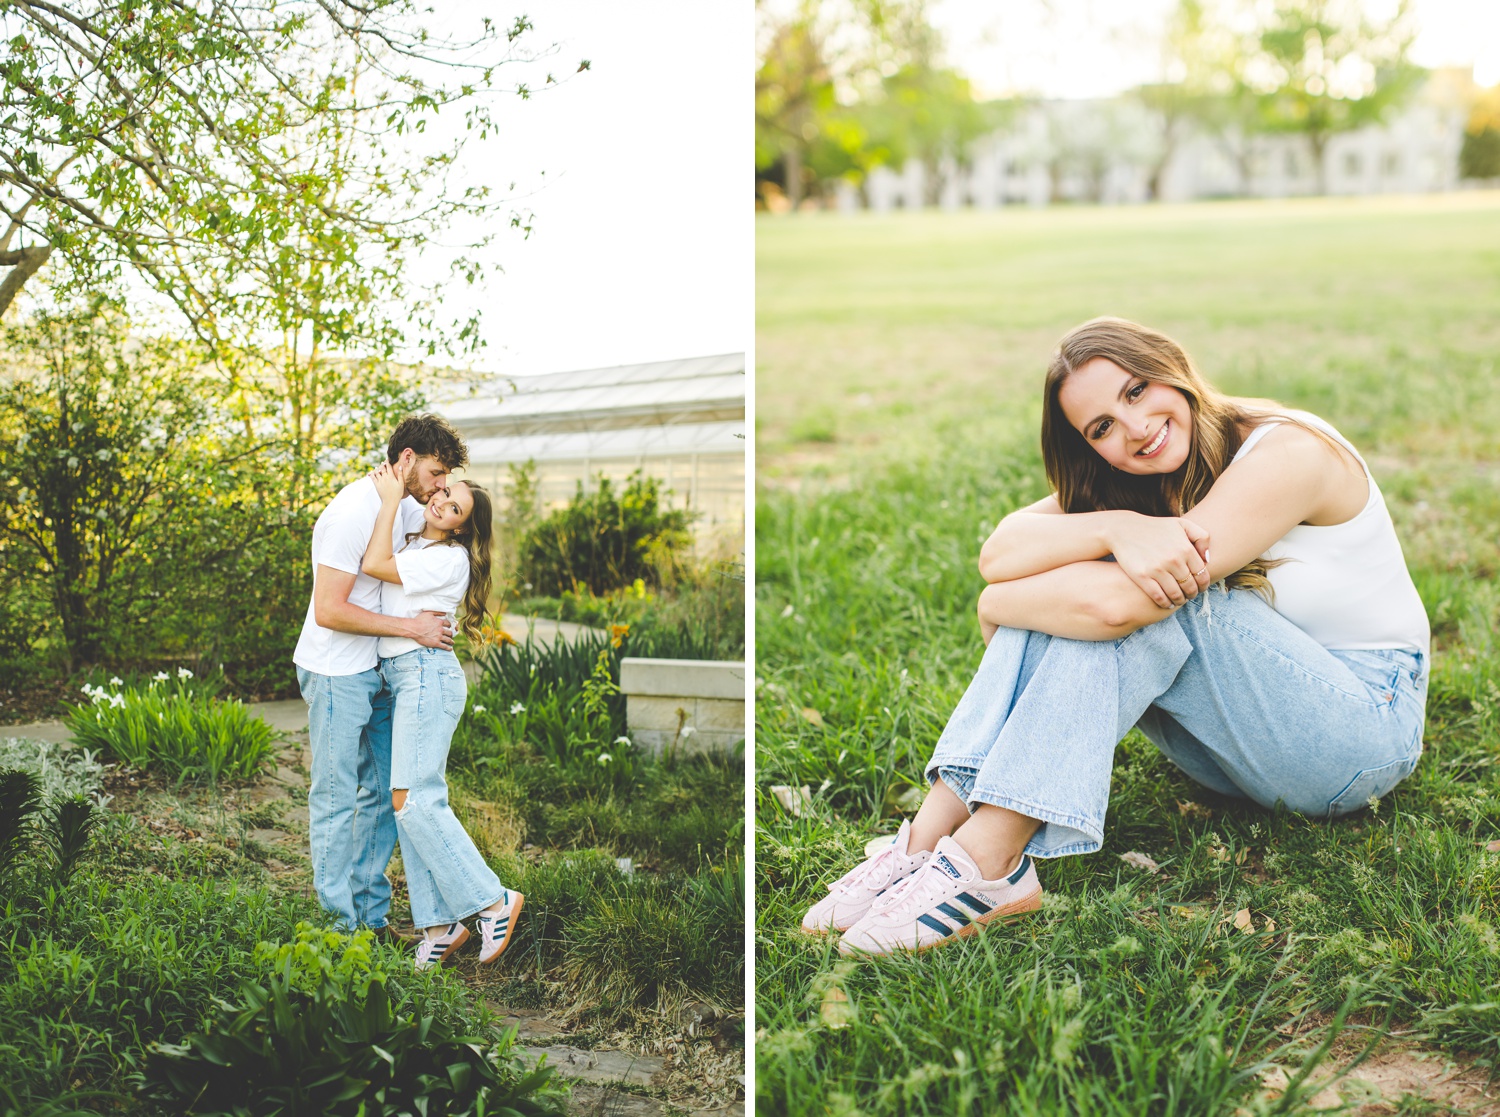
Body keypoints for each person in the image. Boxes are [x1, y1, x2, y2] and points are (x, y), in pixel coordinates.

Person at [802, 317, 1429, 956]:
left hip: (1360, 734)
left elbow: (1108, 607)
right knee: (1100, 580)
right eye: (1100, 427)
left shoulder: (1287, 452)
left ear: (1172, 368)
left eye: (1135, 391)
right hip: (1239, 753)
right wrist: (1115, 528)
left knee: (1153, 597)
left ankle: (988, 860)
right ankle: (920, 846)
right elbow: (1003, 548)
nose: (1133, 429)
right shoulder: (1143, 476)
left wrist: (1001, 604)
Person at [292, 414, 467, 937]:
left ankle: (371, 917)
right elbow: (329, 610)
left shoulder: (410, 507)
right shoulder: (351, 512)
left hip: (381, 671)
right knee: (336, 797)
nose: (441, 488)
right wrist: (411, 628)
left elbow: (425, 571)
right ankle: (338, 928)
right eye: (437, 473)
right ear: (407, 459)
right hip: (335, 672)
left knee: (388, 797)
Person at [361, 459, 524, 970]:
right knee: (405, 802)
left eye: (454, 507)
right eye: (445, 492)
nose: (441, 502)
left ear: (462, 526)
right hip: (406, 676)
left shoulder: (448, 558)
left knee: (415, 800)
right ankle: (438, 925)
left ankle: (492, 901)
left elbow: (373, 565)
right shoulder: (417, 541)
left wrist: (390, 501)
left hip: (427, 675)